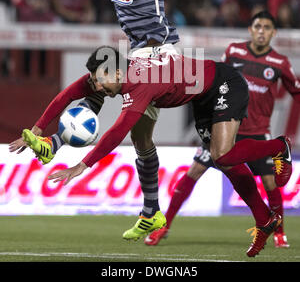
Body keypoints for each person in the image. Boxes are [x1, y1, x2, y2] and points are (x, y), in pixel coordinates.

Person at [10, 0, 247, 222]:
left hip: (161, 54)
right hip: (137, 54)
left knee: (108, 96)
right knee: (135, 133)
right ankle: (150, 212)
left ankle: (56, 143)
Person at [23, 45, 293, 257]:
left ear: (116, 73)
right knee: (225, 162)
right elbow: (68, 93)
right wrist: (37, 128)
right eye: (94, 82)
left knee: (223, 155)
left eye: (100, 82)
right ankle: (264, 219)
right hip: (202, 97)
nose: (98, 88)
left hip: (224, 84)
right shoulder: (114, 71)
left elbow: (118, 131)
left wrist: (83, 165)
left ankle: (280, 146)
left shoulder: (140, 83)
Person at [145, 10, 300, 249]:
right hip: (225, 128)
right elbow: (219, 83)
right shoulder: (235, 51)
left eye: (266, 28)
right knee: (193, 172)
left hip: (258, 131)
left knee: (270, 183)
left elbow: (296, 93)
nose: (261, 31)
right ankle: (164, 226)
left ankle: (279, 232)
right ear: (250, 30)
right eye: (257, 26)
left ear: (273, 33)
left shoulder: (279, 62)